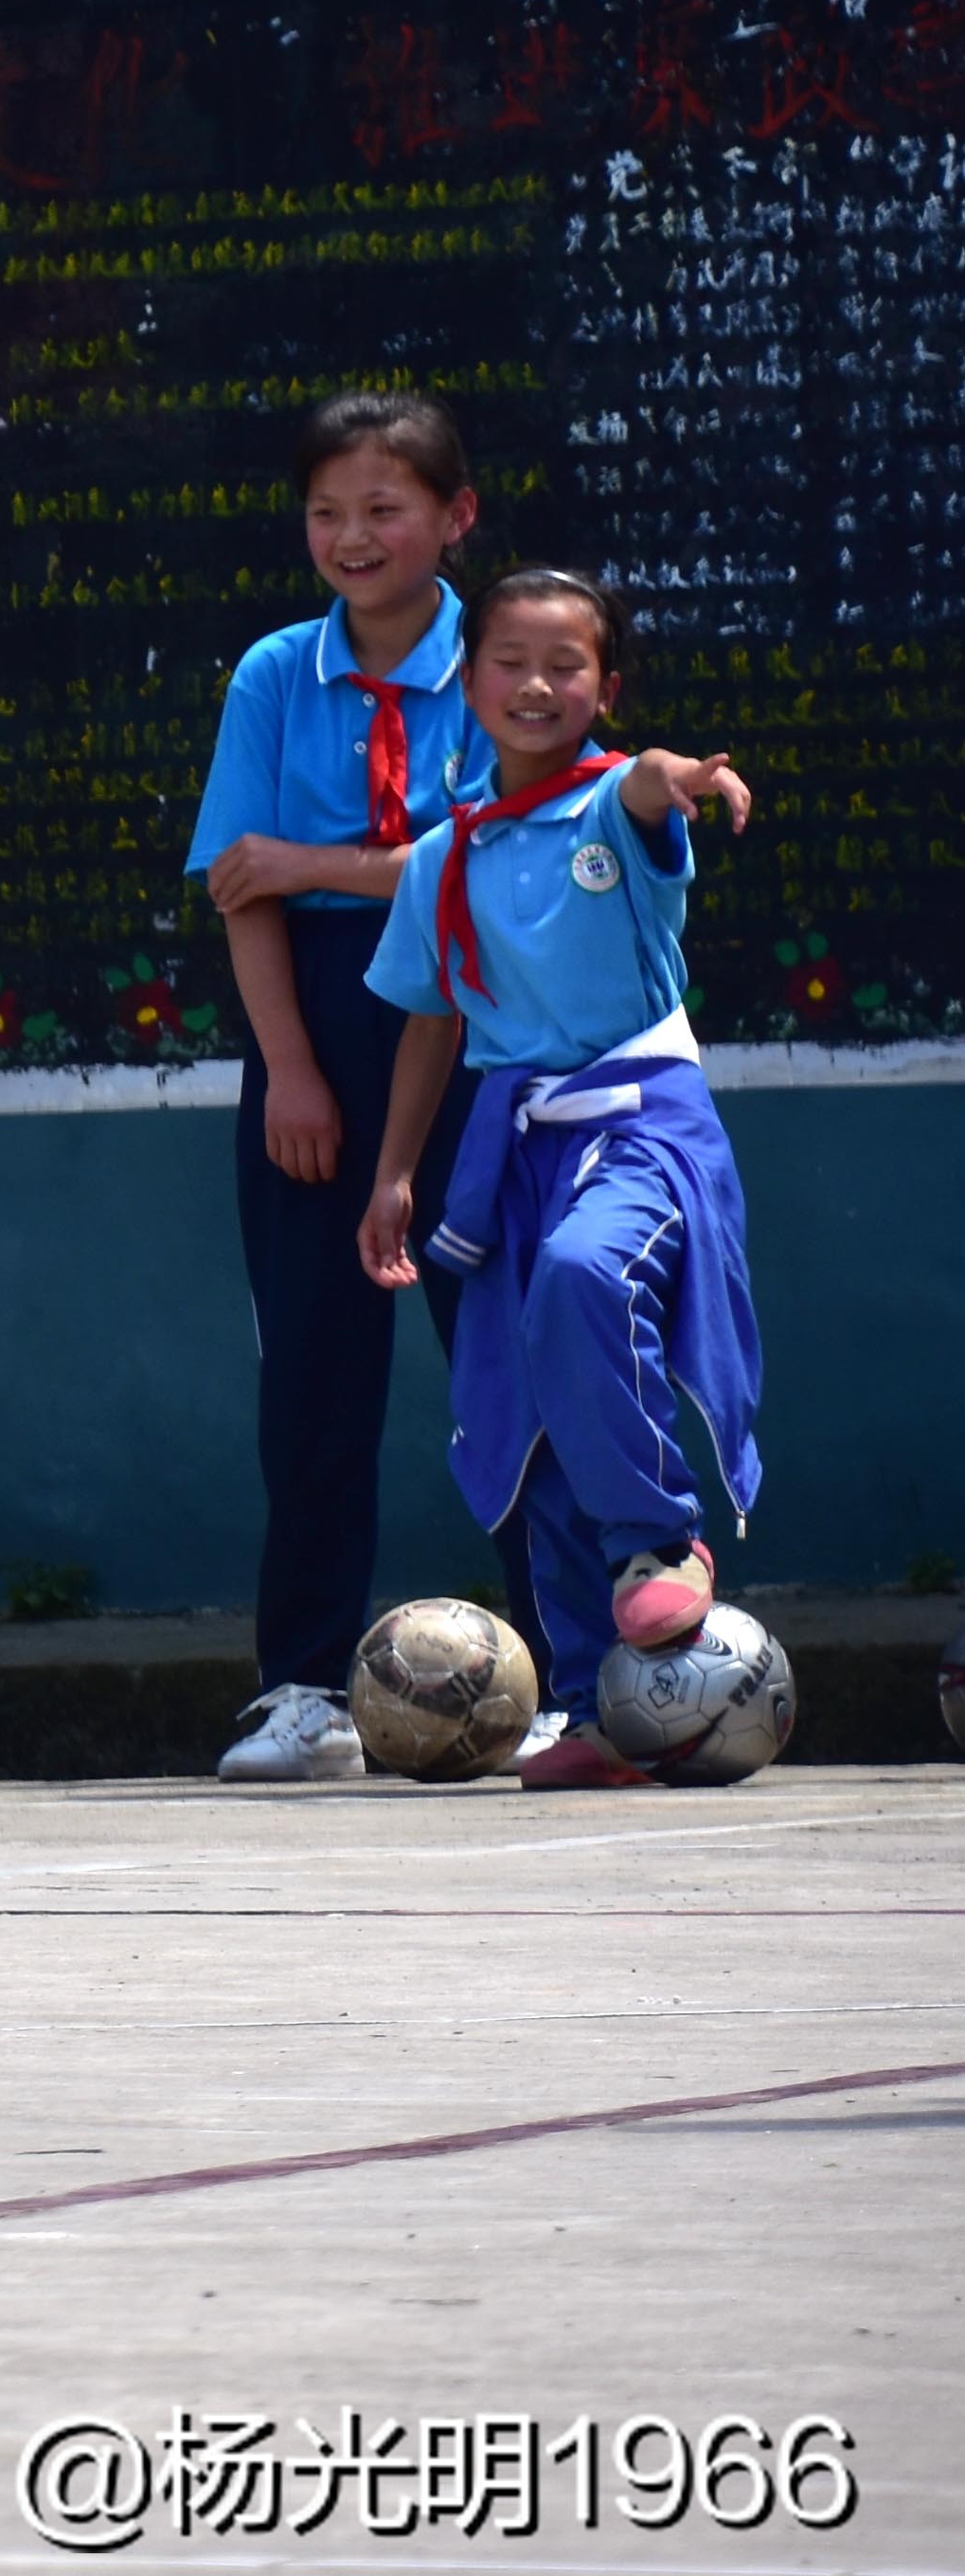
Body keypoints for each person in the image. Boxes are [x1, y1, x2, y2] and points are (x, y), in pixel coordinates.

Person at [183, 391, 545, 1783]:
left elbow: (491, 859)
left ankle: (570, 1665)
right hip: (319, 1020)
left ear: (454, 516)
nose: (351, 536)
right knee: (313, 1373)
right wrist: (288, 1067)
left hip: (480, 1020)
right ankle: (302, 1683)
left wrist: (314, 860)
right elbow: (241, 884)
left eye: (383, 508)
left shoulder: (504, 661)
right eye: (326, 511)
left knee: (509, 1352)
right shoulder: (275, 674)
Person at [359, 568, 760, 1789]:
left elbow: (646, 784)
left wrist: (675, 775)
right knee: (530, 1411)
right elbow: (433, 1018)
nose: (535, 684)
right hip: (515, 1148)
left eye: (565, 664)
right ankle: (598, 1706)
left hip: (641, 1126)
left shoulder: (616, 807)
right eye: (510, 660)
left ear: (606, 687)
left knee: (587, 1276)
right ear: (466, 678)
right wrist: (394, 1174)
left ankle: (659, 1541)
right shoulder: (443, 855)